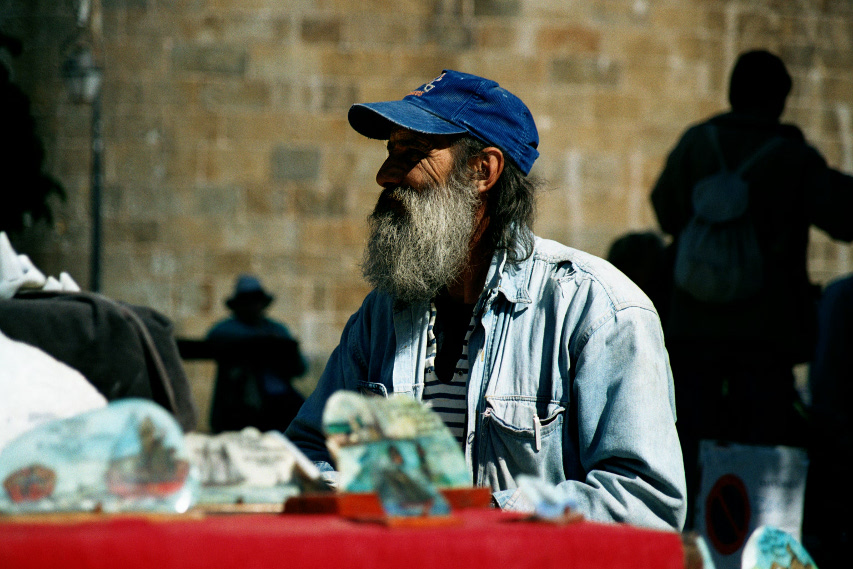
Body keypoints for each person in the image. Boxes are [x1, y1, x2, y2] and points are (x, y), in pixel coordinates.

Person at [286, 70, 686, 531]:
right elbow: (309, 455)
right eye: (390, 152)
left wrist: (474, 517)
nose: (384, 175)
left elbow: (646, 504)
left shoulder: (597, 312)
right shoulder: (381, 315)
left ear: (483, 171)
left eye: (412, 154)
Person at [650, 50, 853, 526]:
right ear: (779, 99)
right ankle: (755, 540)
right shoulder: (793, 156)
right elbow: (843, 217)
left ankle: (689, 536)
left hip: (694, 326)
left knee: (690, 435)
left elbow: (664, 209)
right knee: (764, 452)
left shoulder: (698, 144)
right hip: (766, 334)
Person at [207, 274, 307, 434]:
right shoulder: (227, 329)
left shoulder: (277, 329)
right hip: (242, 405)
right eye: (247, 301)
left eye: (255, 301)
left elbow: (301, 367)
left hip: (280, 402)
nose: (252, 306)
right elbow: (214, 337)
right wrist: (258, 343)